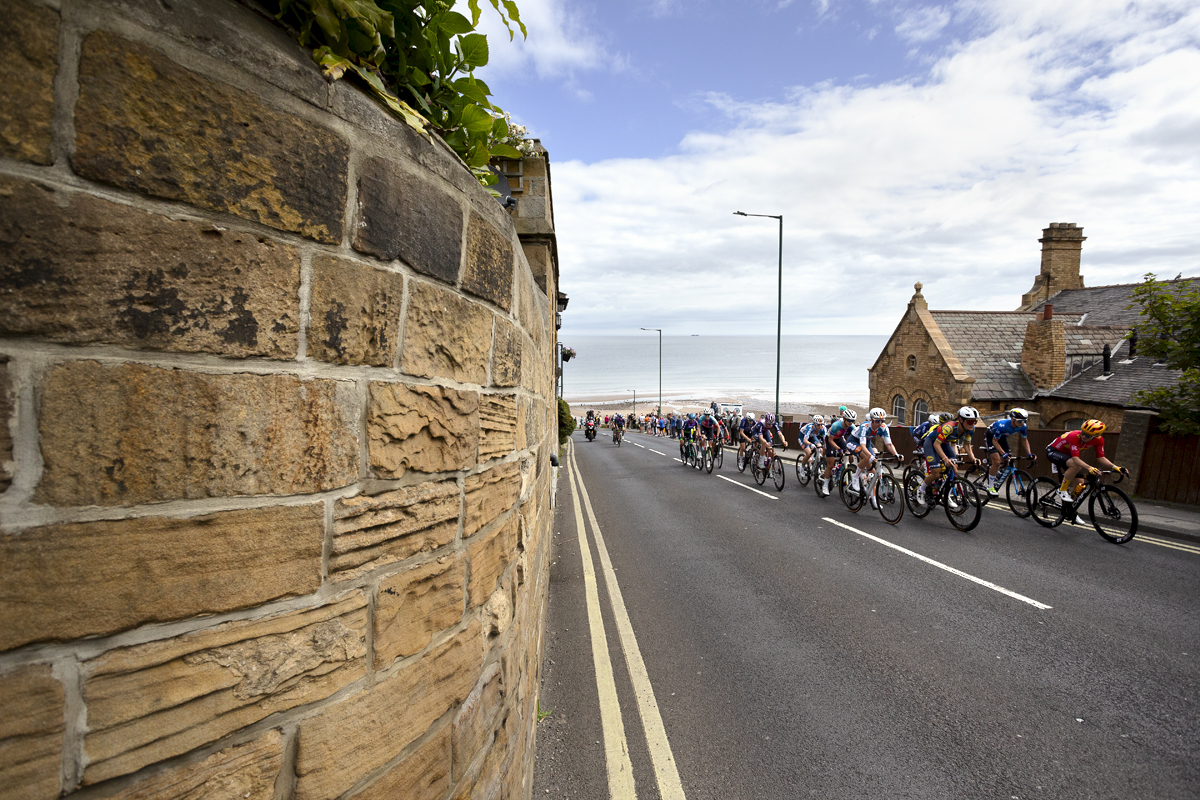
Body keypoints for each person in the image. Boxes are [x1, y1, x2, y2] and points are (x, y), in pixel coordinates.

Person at [1046, 420, 1127, 503]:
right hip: (1054, 451)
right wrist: (1090, 468)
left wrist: (1115, 467)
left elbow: (1101, 458)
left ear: (1095, 436)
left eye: (1088, 436)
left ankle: (1070, 512)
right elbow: (1075, 459)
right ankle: (1062, 489)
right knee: (1076, 465)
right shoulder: (1074, 436)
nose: (1083, 436)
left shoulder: (1099, 440)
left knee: (1079, 487)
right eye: (1083, 433)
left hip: (1069, 456)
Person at [916, 406, 980, 506]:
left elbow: (966, 445)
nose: (973, 424)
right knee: (936, 473)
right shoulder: (949, 427)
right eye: (970, 422)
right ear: (961, 420)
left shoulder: (970, 430)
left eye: (975, 422)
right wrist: (945, 459)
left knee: (954, 469)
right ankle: (921, 489)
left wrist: (973, 458)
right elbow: (936, 444)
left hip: (944, 443)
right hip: (931, 443)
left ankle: (947, 495)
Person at [985, 407, 1035, 495]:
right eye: (1019, 421)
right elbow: (994, 441)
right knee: (997, 461)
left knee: (1009, 458)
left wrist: (1029, 454)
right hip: (991, 437)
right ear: (1012, 419)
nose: (1022, 423)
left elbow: (1024, 440)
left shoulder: (1023, 427)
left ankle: (996, 473)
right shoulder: (1002, 425)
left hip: (1002, 438)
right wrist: (1003, 453)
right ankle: (990, 486)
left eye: (1024, 421)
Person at [820, 409, 857, 494]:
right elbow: (830, 440)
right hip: (830, 440)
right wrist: (839, 449)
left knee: (849, 456)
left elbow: (856, 437)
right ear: (844, 418)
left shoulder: (852, 427)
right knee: (831, 463)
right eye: (849, 420)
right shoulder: (836, 425)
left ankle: (842, 471)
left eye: (852, 421)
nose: (850, 422)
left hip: (839, 439)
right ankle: (825, 485)